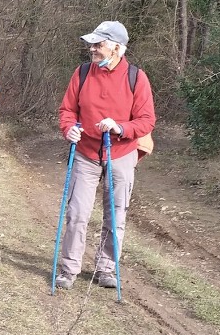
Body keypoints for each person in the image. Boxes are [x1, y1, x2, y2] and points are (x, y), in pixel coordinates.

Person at [55, 21, 156, 290]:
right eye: (92, 44)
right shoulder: (82, 73)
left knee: (116, 215)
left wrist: (120, 127)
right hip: (86, 152)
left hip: (121, 153)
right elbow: (67, 110)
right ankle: (69, 268)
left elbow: (146, 121)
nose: (92, 49)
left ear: (117, 48)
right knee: (77, 213)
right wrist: (69, 129)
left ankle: (106, 269)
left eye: (98, 44)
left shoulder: (136, 77)